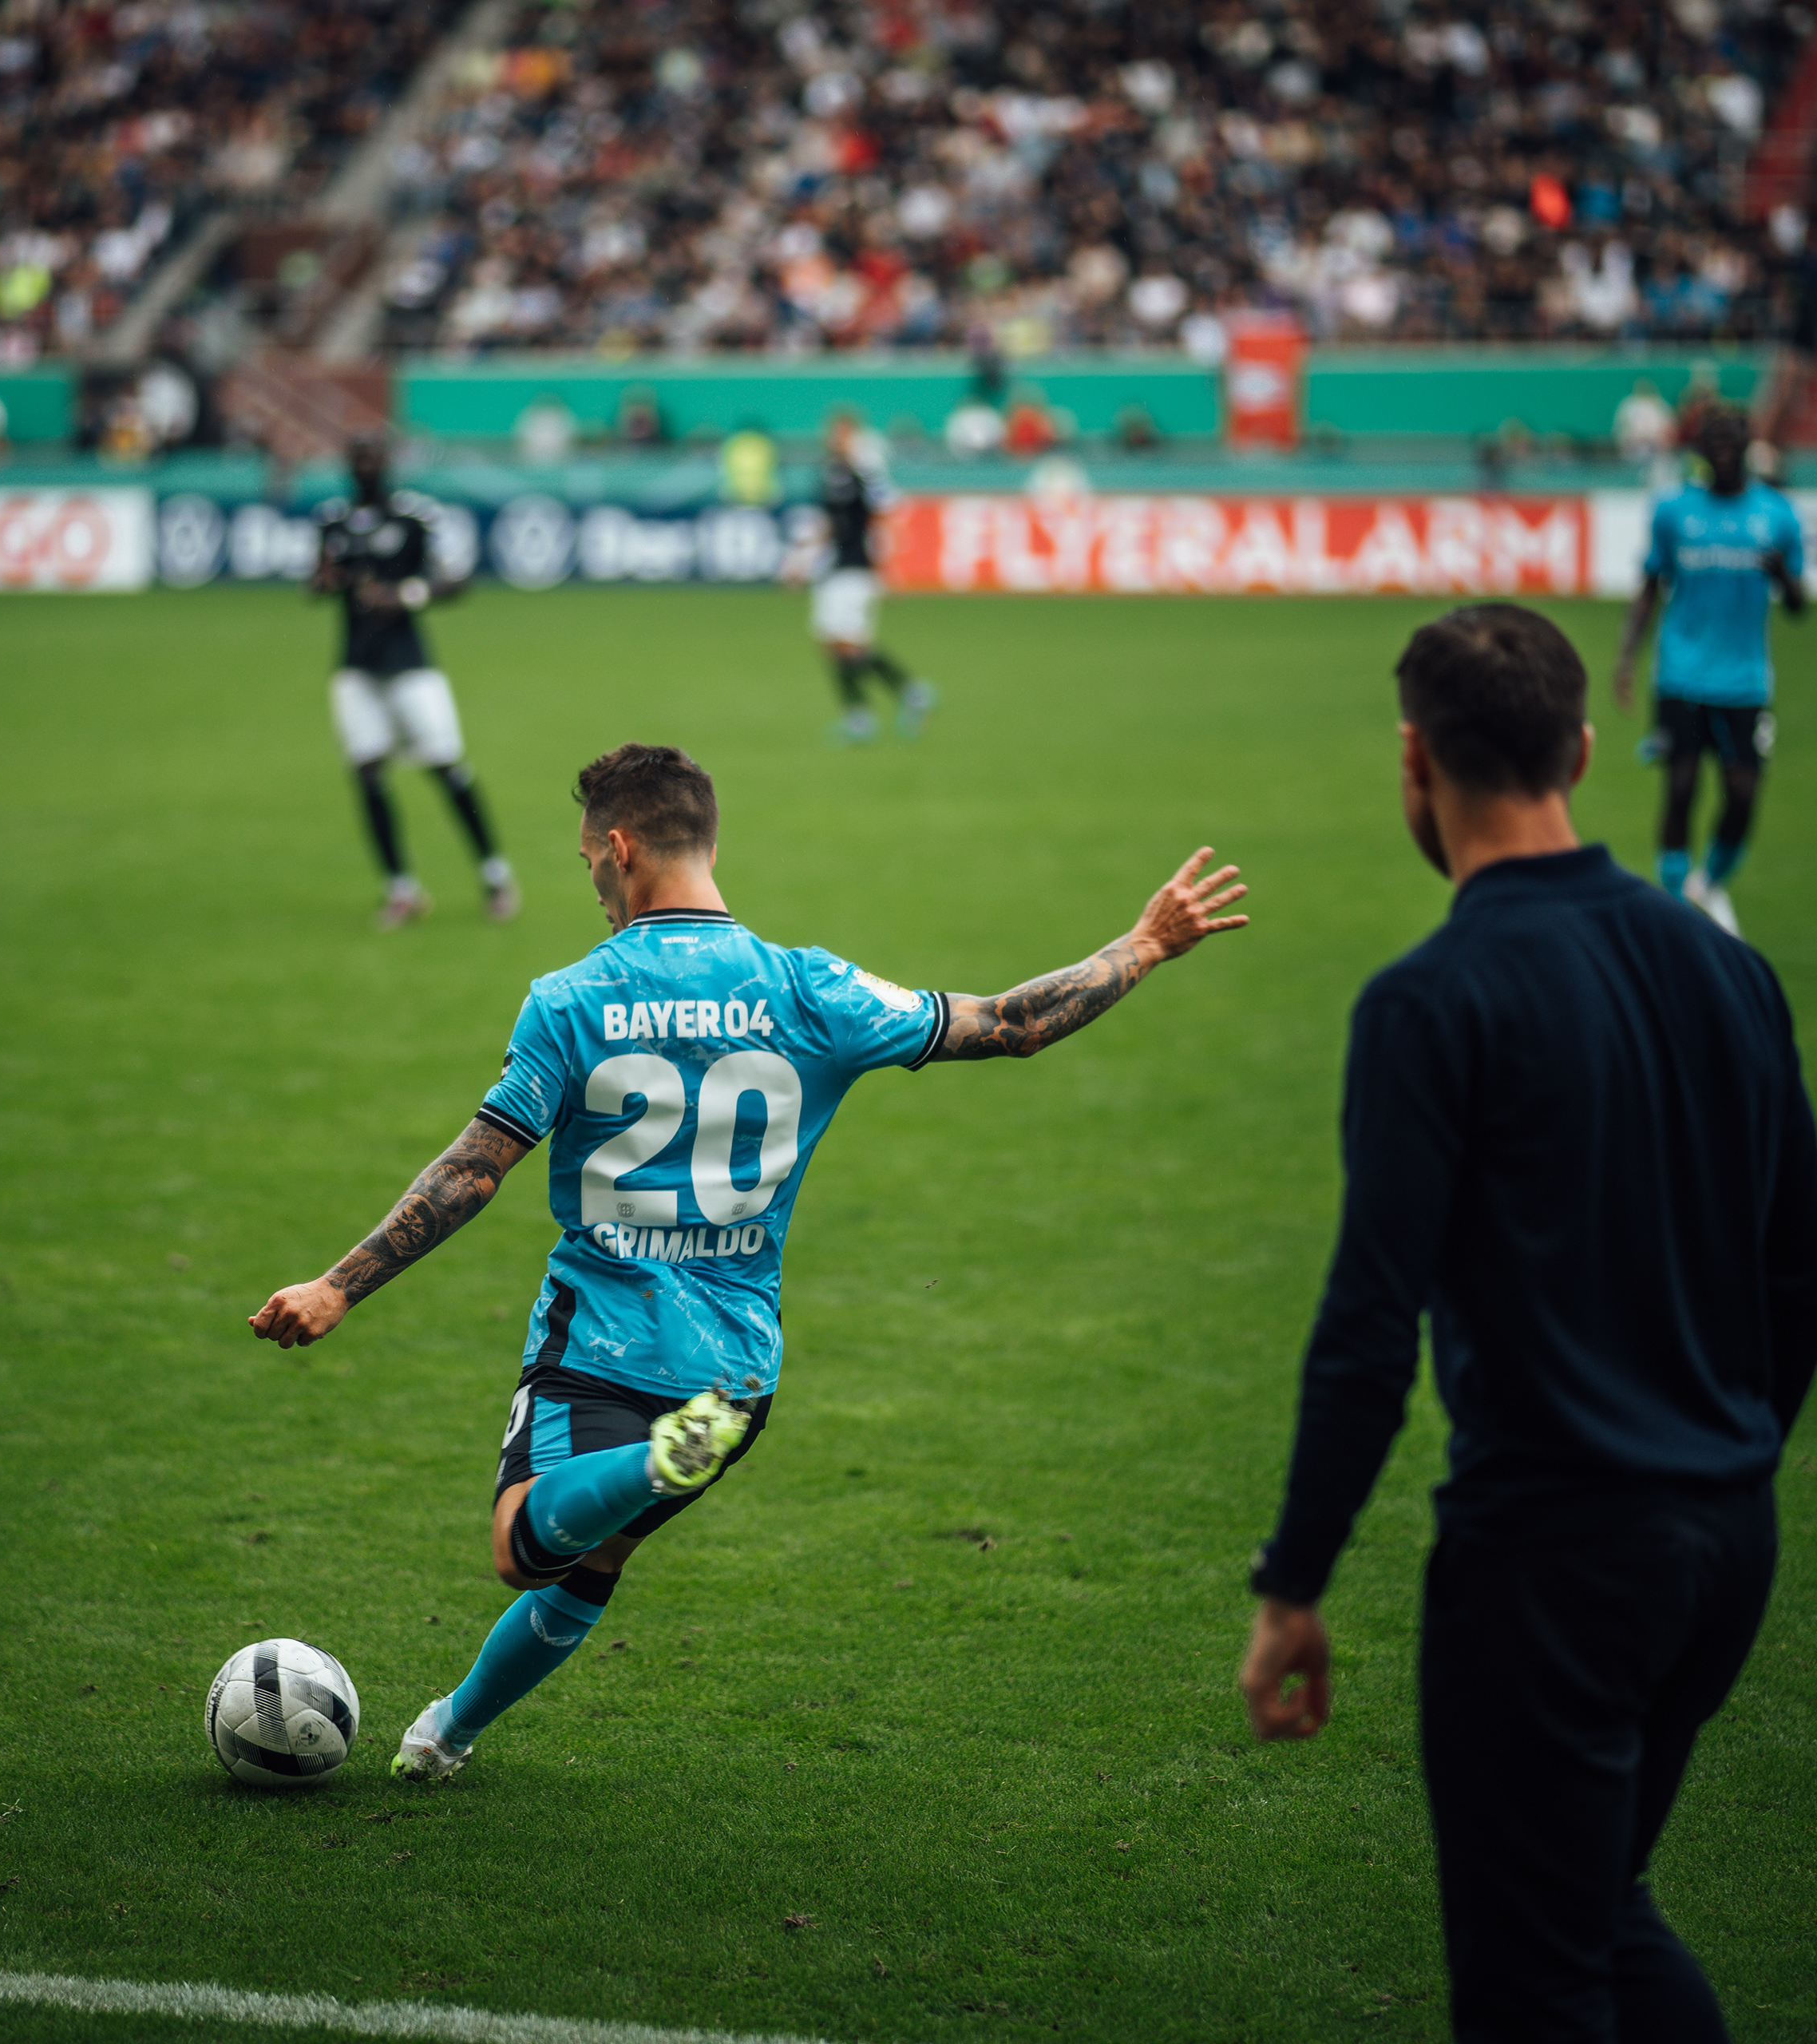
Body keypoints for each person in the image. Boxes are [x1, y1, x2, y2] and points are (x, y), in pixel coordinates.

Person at [251, 743, 1246, 1780]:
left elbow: (472, 1172)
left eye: (590, 858)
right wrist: (1143, 945)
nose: (592, 878)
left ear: (620, 849)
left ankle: (643, 1465)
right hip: (733, 1372)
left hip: (600, 1341)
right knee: (596, 1562)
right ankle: (444, 1736)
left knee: (522, 1547)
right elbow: (1011, 1025)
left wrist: (337, 1285)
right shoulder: (810, 989)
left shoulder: (572, 998)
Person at [1239, 604, 1817, 2042]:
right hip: (1723, 1549)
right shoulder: (1728, 971)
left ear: (1413, 762)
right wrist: (1725, 1456)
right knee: (1602, 1918)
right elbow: (1808, 1281)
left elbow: (1369, 1328)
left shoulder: (1431, 999)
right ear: (1582, 747)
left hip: (1556, 1564)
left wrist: (1294, 1585)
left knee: (1537, 1985)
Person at [1612, 405, 1807, 937]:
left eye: (1732, 443)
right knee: (1680, 787)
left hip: (1745, 680)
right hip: (1680, 673)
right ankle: (1674, 897)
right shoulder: (1673, 512)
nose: (1722, 452)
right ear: (1698, 451)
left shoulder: (1778, 515)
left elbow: (1798, 605)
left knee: (1742, 793)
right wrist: (1627, 657)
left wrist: (1783, 578)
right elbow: (1651, 585)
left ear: (1747, 449)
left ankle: (1711, 878)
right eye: (1713, 443)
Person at [313, 436, 517, 926]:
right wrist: (327, 582)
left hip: (410, 664)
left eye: (373, 457)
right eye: (358, 458)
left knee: (445, 766)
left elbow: (456, 579)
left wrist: (403, 595)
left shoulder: (415, 518)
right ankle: (400, 888)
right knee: (367, 773)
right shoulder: (334, 520)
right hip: (356, 665)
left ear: (387, 464)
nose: (366, 466)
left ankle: (494, 872)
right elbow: (318, 577)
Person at [782, 412, 936, 743]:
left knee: (848, 643)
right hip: (833, 567)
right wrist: (801, 559)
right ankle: (874, 709)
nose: (838, 440)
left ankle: (899, 697)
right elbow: (831, 523)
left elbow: (882, 519)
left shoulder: (867, 473)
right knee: (830, 643)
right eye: (834, 434)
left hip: (857, 567)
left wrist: (888, 568)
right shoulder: (826, 472)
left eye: (845, 435)